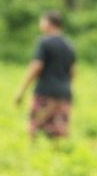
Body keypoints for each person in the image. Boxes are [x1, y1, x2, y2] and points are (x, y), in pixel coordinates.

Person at [14, 10, 76, 139]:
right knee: (59, 133)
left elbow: (36, 66)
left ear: (49, 23)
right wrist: (66, 89)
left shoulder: (44, 42)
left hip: (45, 94)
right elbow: (72, 72)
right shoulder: (69, 45)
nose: (40, 24)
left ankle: (33, 151)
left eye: (42, 21)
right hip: (64, 95)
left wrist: (21, 90)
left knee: (34, 129)